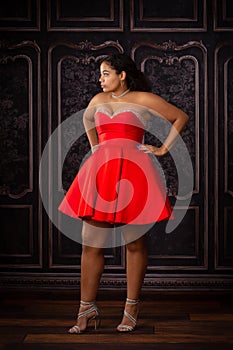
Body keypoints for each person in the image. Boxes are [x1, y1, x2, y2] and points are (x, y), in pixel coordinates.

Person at [58, 53, 189, 333]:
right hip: (101, 174)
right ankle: (87, 309)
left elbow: (180, 117)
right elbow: (88, 122)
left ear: (122, 75)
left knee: (134, 244)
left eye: (105, 73)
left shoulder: (143, 99)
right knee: (90, 245)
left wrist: (162, 149)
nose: (100, 79)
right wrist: (97, 149)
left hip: (135, 174)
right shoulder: (97, 101)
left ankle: (131, 308)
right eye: (100, 74)